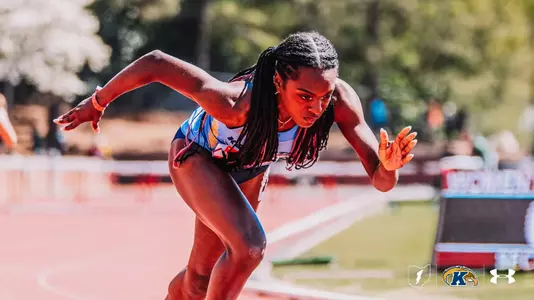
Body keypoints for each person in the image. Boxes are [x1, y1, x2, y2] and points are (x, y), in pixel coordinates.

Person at [54, 31, 417, 300]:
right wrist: (98, 102)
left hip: (250, 169)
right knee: (250, 247)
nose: (315, 108)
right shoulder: (236, 103)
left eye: (323, 97)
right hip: (196, 156)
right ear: (278, 81)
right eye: (304, 96)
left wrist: (389, 165)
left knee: (199, 280)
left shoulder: (339, 101)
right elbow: (156, 62)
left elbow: (382, 181)